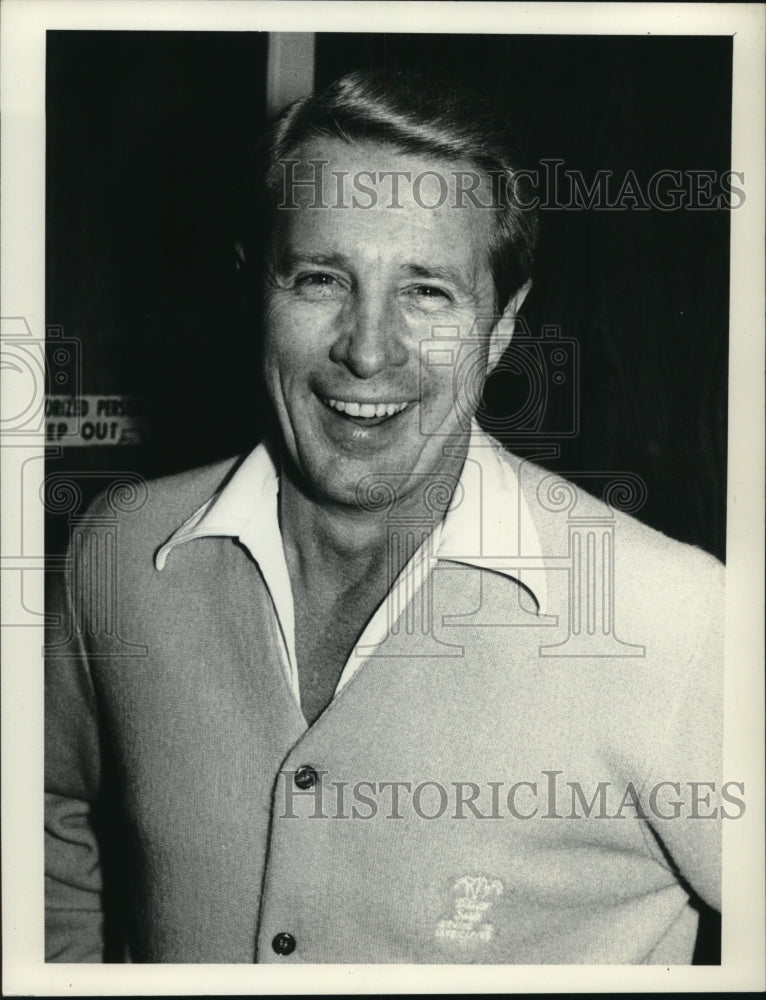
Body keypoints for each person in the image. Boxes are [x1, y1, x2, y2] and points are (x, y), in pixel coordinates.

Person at [45, 69, 725, 964]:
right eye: (321, 278)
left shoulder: (677, 622)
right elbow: (50, 829)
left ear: (504, 325)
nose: (367, 351)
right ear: (256, 293)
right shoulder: (121, 553)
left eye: (428, 292)